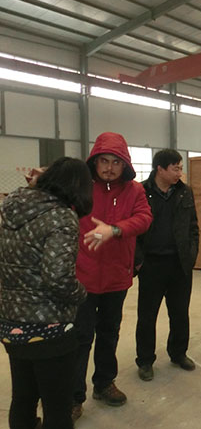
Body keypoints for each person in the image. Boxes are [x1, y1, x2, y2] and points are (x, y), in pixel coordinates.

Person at [0, 157, 93, 429]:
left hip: (11, 323)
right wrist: (81, 293)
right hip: (49, 327)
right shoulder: (61, 216)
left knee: (23, 397)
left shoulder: (11, 207)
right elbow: (58, 278)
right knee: (57, 406)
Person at [72, 132, 152, 420]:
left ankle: (104, 383)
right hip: (82, 276)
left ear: (125, 164)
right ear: (94, 161)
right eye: (104, 161)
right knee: (80, 337)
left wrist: (115, 230)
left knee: (109, 332)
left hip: (117, 276)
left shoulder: (134, 190)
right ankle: (73, 396)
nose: (109, 168)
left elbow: (144, 218)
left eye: (116, 162)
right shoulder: (80, 187)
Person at [134, 149, 199, 381]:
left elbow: (193, 227)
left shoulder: (185, 192)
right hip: (151, 264)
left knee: (180, 313)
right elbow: (133, 231)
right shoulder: (140, 191)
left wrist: (191, 255)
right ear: (160, 169)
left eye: (180, 168)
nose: (179, 173)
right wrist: (138, 261)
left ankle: (178, 353)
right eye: (175, 168)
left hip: (179, 264)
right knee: (147, 316)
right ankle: (145, 360)